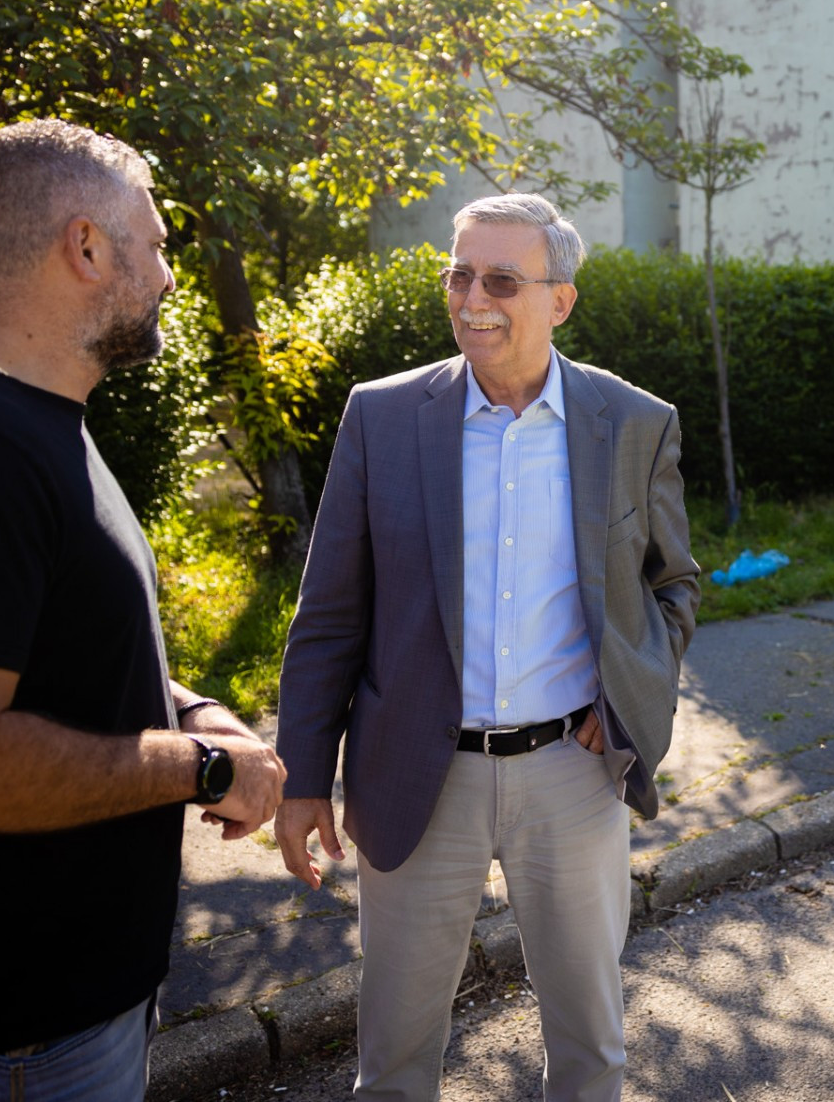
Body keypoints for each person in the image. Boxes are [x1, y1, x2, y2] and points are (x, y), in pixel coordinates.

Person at [0, 119, 286, 1099]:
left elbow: (51, 652)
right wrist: (200, 767)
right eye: (156, 244)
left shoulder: (19, 424)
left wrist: (193, 709)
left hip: (47, 1030)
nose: (169, 276)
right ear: (86, 247)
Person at [274, 191, 700, 1102]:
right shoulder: (383, 415)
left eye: (502, 281)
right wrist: (302, 772)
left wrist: (631, 701)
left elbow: (672, 586)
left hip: (572, 773)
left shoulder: (633, 421)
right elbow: (329, 612)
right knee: (394, 1059)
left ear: (560, 300)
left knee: (591, 1049)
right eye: (458, 276)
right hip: (415, 773)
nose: (473, 300)